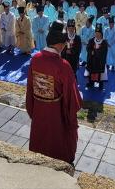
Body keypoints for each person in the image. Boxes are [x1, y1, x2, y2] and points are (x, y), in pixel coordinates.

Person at [26, 20, 83, 164]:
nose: (64, 47)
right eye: (64, 44)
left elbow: (30, 88)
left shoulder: (35, 60)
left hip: (39, 110)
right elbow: (72, 99)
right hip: (55, 113)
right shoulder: (63, 66)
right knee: (56, 144)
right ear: (60, 44)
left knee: (40, 140)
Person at [85, 23, 108, 89]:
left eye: (99, 34)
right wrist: (90, 51)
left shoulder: (104, 42)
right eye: (96, 33)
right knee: (91, 73)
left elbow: (104, 52)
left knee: (99, 74)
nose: (97, 35)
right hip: (92, 60)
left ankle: (100, 84)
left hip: (100, 61)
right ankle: (91, 82)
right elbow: (88, 48)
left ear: (101, 34)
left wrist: (95, 52)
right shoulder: (91, 40)